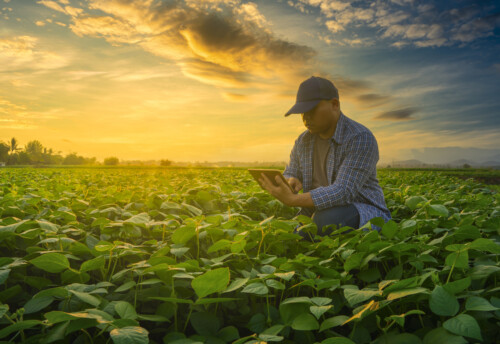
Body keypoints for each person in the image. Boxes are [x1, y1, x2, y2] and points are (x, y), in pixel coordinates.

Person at [258, 76, 391, 241]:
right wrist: (291, 179)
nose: (306, 117)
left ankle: (309, 232)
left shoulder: (360, 137)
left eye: (311, 110)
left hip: (361, 210)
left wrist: (294, 199)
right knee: (282, 231)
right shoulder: (303, 141)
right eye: (302, 112)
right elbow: (291, 170)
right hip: (316, 212)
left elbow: (344, 191)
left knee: (325, 220)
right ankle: (306, 232)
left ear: (334, 105)